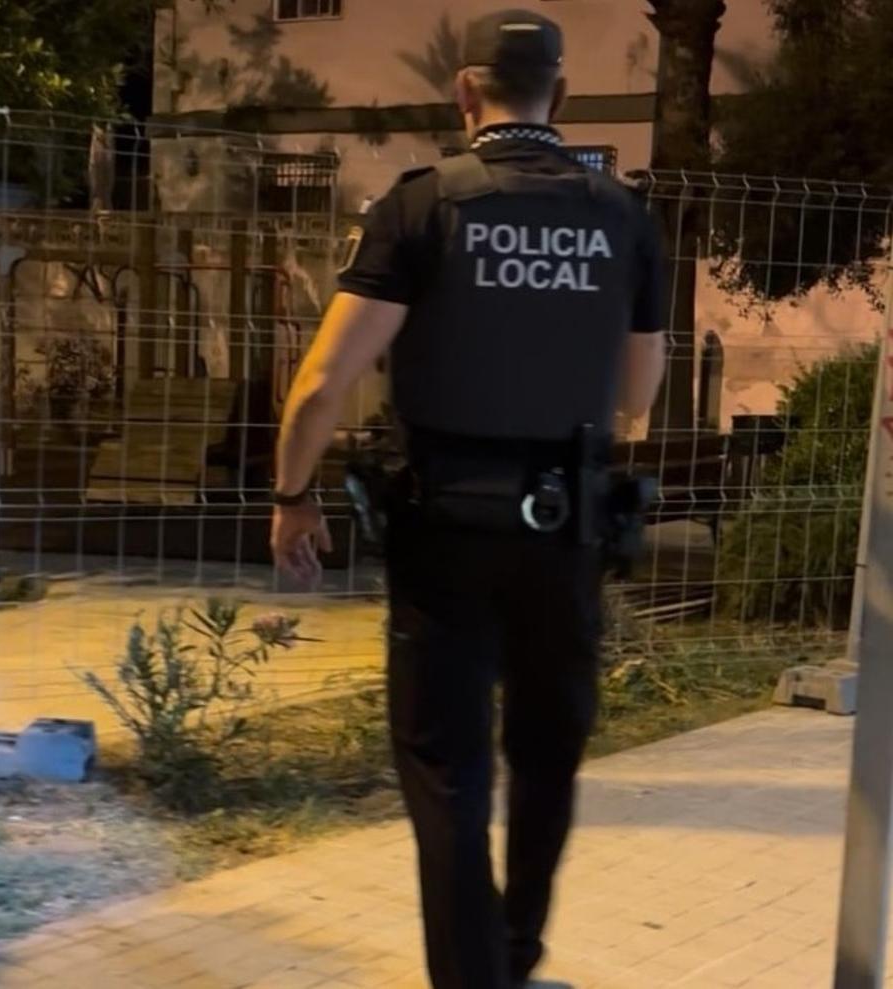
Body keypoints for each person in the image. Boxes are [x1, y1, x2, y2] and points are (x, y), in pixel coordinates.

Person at [270, 9, 667, 989]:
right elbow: (638, 392)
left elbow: (323, 382)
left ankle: (473, 972)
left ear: (464, 93)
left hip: (443, 528)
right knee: (546, 754)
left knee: (447, 771)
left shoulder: (420, 207)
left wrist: (292, 495)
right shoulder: (621, 216)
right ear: (561, 98)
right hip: (564, 525)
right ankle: (514, 956)